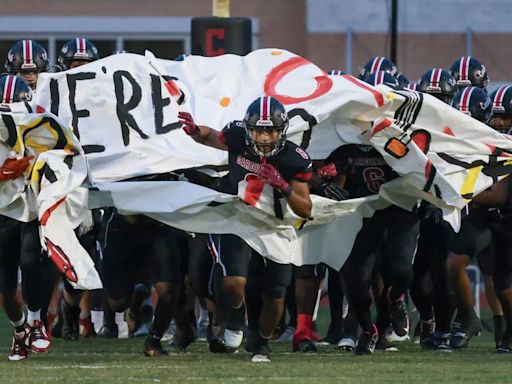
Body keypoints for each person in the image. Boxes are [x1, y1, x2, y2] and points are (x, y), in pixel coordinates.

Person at [179, 96, 312, 362]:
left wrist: (283, 187)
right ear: (248, 130)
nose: (264, 137)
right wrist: (196, 132)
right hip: (239, 217)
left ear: (282, 130)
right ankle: (236, 320)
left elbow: (306, 209)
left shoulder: (294, 159)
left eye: (271, 130)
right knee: (233, 282)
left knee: (275, 296)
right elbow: (213, 137)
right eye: (259, 130)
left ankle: (261, 341)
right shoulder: (238, 135)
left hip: (275, 225)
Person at [0, 75, 50, 360]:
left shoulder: (42, 122)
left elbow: (64, 152)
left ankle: (35, 322)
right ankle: (20, 331)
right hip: (2, 208)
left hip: (31, 205)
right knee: (5, 288)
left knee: (31, 262)